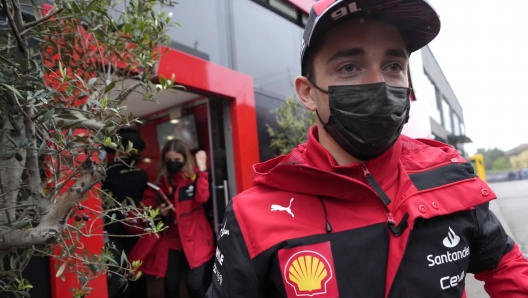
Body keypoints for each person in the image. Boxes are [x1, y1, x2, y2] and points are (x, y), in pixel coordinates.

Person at [206, 1, 528, 297]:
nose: (380, 84)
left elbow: (507, 267)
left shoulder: (450, 178)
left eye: (393, 66)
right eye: (349, 67)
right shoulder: (253, 217)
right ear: (308, 93)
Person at [129, 139, 214, 298]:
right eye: (169, 161)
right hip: (173, 239)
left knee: (194, 285)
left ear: (184, 159)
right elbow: (149, 203)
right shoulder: (163, 180)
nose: (173, 164)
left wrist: (203, 169)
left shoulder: (194, 176)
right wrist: (160, 211)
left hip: (195, 238)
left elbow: (203, 198)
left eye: (176, 160)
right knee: (170, 287)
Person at [102, 130, 148, 298]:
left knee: (134, 277)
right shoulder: (105, 173)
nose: (136, 157)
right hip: (113, 233)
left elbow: (145, 202)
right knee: (117, 280)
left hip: (134, 233)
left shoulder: (141, 175)